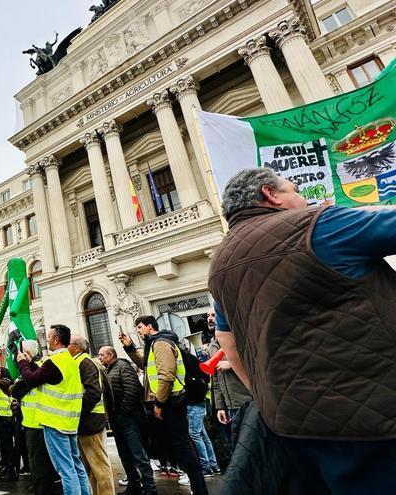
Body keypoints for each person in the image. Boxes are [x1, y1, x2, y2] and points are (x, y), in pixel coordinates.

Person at [209, 167, 396, 491]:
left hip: (292, 424)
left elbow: (227, 340)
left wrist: (268, 397)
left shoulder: (220, 262)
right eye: (296, 190)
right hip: (375, 416)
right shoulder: (315, 225)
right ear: (271, 194)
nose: (305, 198)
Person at [120, 317, 208, 495]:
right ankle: (197, 486)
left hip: (171, 403)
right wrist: (129, 347)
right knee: (179, 446)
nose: (137, 330)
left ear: (150, 326)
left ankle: (199, 489)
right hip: (171, 402)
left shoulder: (160, 343)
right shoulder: (155, 343)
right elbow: (145, 364)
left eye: (139, 327)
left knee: (183, 446)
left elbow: (166, 375)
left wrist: (159, 403)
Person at [17, 324, 91, 495]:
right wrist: (30, 363)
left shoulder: (54, 361)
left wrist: (22, 363)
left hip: (55, 423)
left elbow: (31, 379)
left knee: (65, 470)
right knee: (76, 465)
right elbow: (44, 374)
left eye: (49, 337)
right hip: (70, 422)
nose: (47, 340)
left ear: (56, 339)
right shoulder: (69, 360)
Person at [99, 346, 156, 495]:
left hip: (129, 419)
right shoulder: (109, 370)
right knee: (124, 455)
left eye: (102, 355)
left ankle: (150, 488)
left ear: (110, 355)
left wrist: (122, 412)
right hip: (117, 420)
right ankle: (134, 486)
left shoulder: (123, 366)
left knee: (138, 454)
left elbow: (132, 390)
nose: (99, 357)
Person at [10, 340, 60, 495]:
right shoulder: (29, 369)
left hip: (38, 422)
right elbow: (15, 390)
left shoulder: (40, 366)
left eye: (20, 352)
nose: (16, 356)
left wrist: (23, 374)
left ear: (27, 353)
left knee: (39, 464)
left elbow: (19, 388)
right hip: (31, 422)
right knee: (38, 464)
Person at [68, 335, 116, 495]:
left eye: (68, 344)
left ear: (76, 347)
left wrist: (78, 412)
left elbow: (94, 392)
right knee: (91, 467)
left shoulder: (85, 362)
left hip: (90, 421)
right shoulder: (80, 362)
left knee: (99, 467)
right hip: (87, 421)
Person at [205, 306, 251, 450]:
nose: (210, 318)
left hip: (247, 400)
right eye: (208, 316)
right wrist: (220, 406)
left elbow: (256, 360)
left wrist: (231, 363)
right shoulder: (213, 344)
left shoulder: (239, 335)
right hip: (230, 405)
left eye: (213, 315)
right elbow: (216, 378)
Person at [0, 366, 18, 482]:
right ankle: (6, 467)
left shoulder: (6, 383)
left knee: (7, 446)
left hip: (6, 419)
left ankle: (12, 471)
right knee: (3, 445)